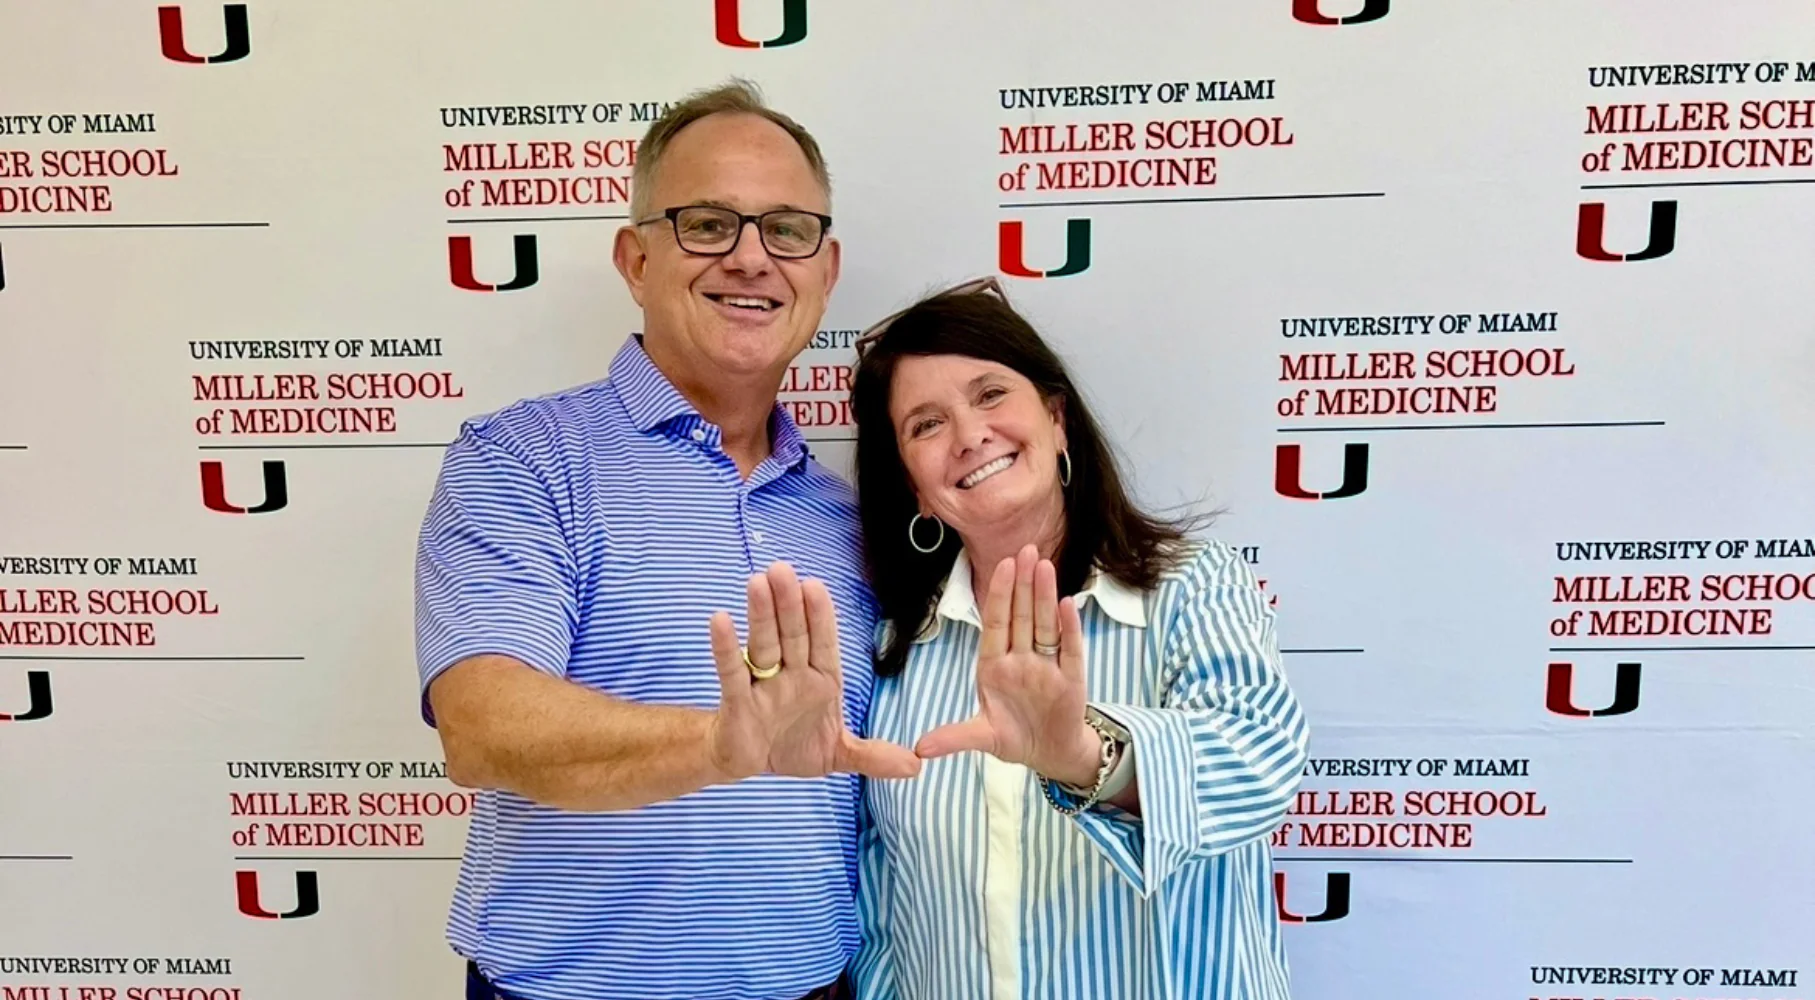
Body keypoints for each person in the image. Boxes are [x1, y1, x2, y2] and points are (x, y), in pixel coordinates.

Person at [413, 79, 918, 1000]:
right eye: (707, 224)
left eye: (787, 230)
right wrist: (723, 745)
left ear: (826, 268)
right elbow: (482, 728)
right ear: (635, 259)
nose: (751, 258)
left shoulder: (848, 516)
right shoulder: (524, 458)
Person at [844, 277, 1311, 1000]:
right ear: (911, 485)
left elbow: (1260, 765)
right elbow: (885, 911)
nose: (969, 436)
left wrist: (1083, 757)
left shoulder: (1191, 585)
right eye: (926, 425)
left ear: (1056, 419)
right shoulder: (900, 648)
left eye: (991, 394)